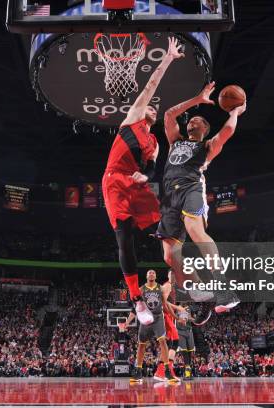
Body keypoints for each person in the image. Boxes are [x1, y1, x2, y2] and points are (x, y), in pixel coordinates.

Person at [103, 37, 184, 325]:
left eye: (154, 108)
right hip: (114, 181)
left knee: (166, 220)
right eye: (151, 106)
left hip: (136, 183)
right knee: (124, 236)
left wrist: (143, 175)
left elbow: (152, 170)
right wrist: (168, 59)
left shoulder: (154, 142)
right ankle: (136, 300)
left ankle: (183, 272)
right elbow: (150, 85)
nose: (153, 108)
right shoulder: (133, 118)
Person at [156, 81, 245, 310]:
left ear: (204, 127)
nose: (192, 120)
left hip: (191, 188)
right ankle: (197, 287)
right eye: (191, 119)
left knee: (196, 231)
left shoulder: (207, 147)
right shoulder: (175, 141)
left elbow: (227, 132)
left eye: (197, 119)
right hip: (168, 197)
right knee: (169, 255)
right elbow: (168, 116)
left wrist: (235, 112)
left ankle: (224, 288)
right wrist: (198, 99)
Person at [122, 270, 177, 383]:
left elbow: (165, 304)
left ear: (156, 276)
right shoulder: (141, 289)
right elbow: (135, 308)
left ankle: (167, 371)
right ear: (146, 276)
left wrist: (176, 316)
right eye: (149, 273)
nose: (151, 274)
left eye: (153, 273)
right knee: (141, 345)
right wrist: (127, 322)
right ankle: (138, 371)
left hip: (158, 319)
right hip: (146, 320)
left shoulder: (161, 288)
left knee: (163, 341)